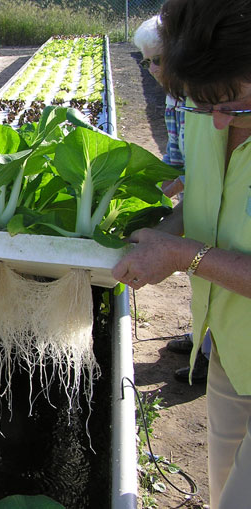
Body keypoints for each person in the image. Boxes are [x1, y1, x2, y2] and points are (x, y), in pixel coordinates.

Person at [113, 0, 251, 506]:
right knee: (222, 492)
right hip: (233, 349)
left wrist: (184, 256)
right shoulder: (208, 101)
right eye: (201, 104)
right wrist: (157, 234)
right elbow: (204, 195)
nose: (217, 123)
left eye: (235, 106)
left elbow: (190, 251)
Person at [133, 15, 210, 383]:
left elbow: (197, 168)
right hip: (201, 198)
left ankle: (212, 355)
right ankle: (202, 339)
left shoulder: (211, 102)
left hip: (216, 198)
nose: (151, 69)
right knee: (203, 275)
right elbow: (176, 162)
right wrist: (148, 197)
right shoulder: (173, 99)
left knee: (215, 264)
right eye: (146, 60)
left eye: (158, 60)